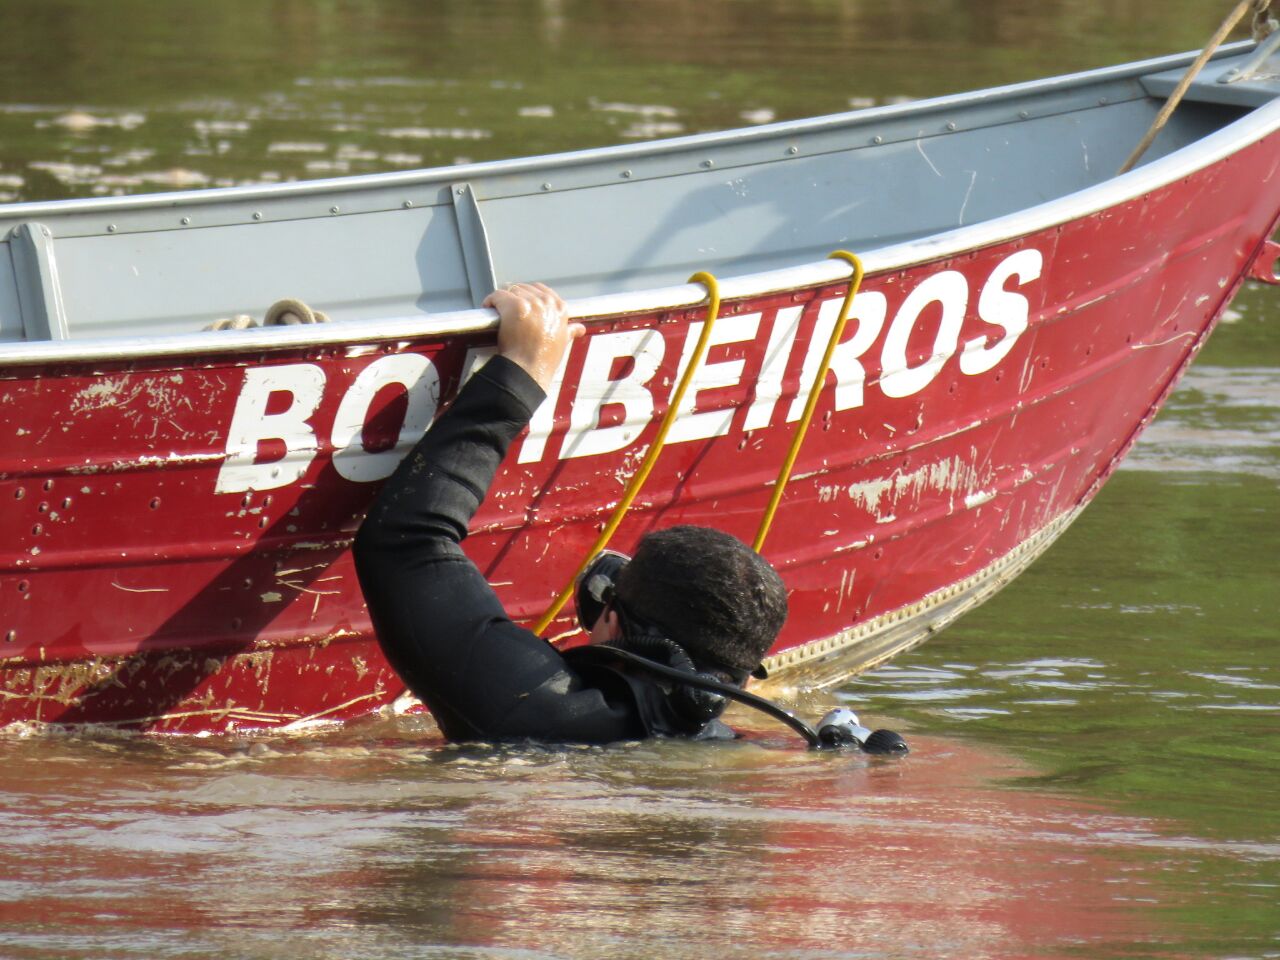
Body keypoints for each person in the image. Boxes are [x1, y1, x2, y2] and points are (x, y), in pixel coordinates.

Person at [353, 282, 788, 744]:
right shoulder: (736, 744)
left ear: (615, 623)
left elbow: (404, 540)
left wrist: (524, 370)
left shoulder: (532, 708)